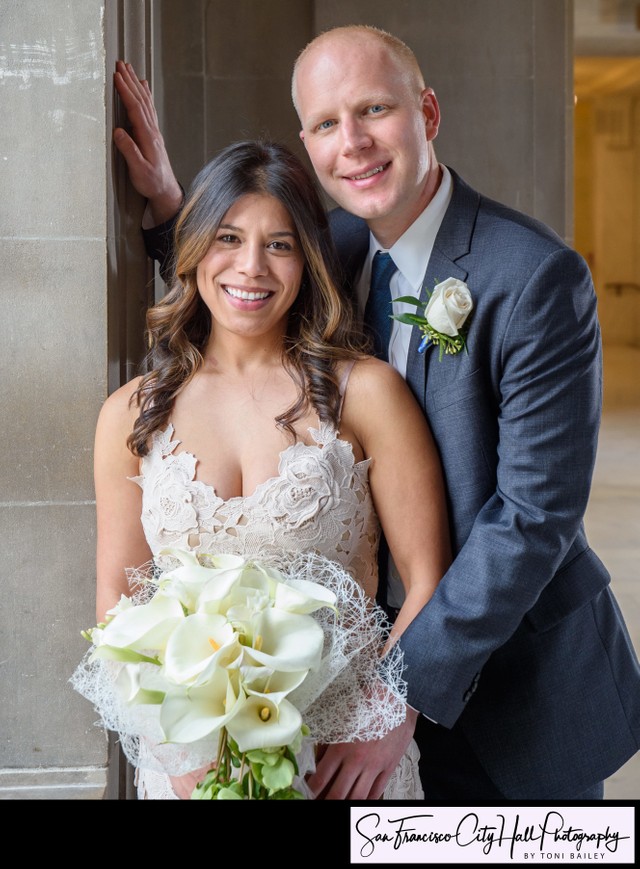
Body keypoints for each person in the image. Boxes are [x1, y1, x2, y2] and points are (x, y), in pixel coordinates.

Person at [112, 25, 640, 801]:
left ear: (427, 113)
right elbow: (246, 272)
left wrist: (402, 688)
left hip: (513, 685)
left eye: (374, 111)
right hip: (349, 678)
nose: (352, 142)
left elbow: (534, 515)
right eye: (327, 123)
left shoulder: (534, 279)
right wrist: (168, 210)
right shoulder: (341, 248)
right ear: (307, 143)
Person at [94, 137, 452, 800]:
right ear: (195, 245)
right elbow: (118, 607)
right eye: (228, 236)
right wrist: (175, 748)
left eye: (280, 244)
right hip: (188, 769)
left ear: (308, 257)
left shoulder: (366, 394)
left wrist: (386, 718)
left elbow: (430, 578)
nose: (251, 267)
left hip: (349, 759)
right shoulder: (131, 415)